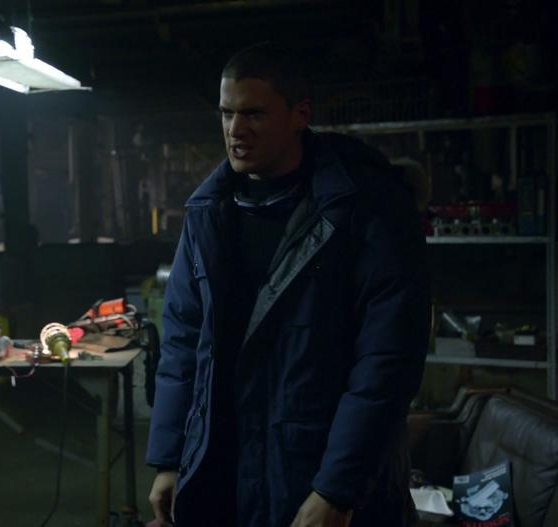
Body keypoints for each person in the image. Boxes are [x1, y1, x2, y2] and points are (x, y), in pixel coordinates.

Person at [145, 42, 430, 527]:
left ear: (300, 115)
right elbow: (183, 345)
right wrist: (170, 458)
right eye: (227, 113)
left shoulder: (368, 210)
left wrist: (336, 489)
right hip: (226, 473)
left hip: (318, 475)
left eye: (254, 114)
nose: (236, 130)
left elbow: (385, 364)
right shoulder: (208, 214)